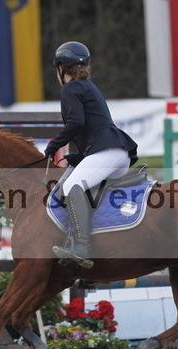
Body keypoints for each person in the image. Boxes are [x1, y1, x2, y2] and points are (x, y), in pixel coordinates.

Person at [44, 41, 138, 269]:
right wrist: (79, 157)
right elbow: (92, 127)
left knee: (71, 186)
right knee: (86, 190)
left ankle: (82, 247)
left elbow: (77, 122)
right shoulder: (87, 86)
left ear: (61, 68)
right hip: (116, 153)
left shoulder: (70, 88)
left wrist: (54, 145)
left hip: (109, 151)